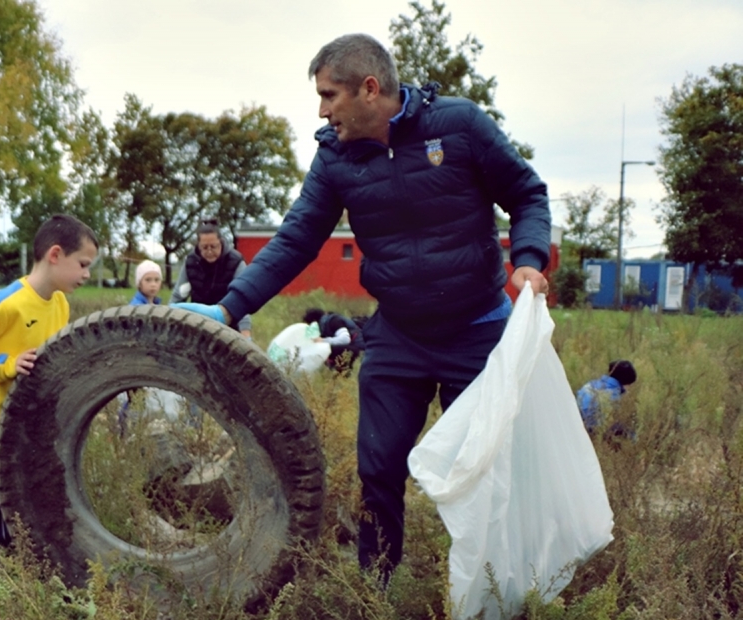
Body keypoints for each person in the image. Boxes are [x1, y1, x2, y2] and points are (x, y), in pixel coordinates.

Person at [173, 34, 551, 581]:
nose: (322, 110)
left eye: (329, 95)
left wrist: (530, 259)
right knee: (377, 469)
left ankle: (492, 590)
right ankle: (375, 592)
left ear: (369, 89)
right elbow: (296, 238)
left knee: (486, 471)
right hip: (399, 335)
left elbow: (526, 193)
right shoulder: (335, 157)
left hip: (476, 329)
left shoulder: (460, 126)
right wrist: (230, 309)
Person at [0, 214, 99, 546]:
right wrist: (6, 364)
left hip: (25, 425)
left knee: (22, 507)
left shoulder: (59, 304)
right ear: (55, 254)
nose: (88, 274)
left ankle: (22, 561)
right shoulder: (9, 302)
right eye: (83, 264)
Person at [170, 221, 252, 339]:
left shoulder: (236, 262)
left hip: (229, 328)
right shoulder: (190, 262)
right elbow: (178, 296)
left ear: (221, 242)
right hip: (197, 325)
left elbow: (242, 300)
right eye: (204, 247)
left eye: (213, 247)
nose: (209, 251)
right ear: (198, 246)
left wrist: (245, 333)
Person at [577, 359, 637, 438]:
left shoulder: (590, 384)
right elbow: (609, 421)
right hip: (592, 429)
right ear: (625, 382)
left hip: (576, 419)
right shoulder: (613, 395)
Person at [303, 307, 366, 372]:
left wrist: (323, 341)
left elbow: (345, 339)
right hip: (358, 351)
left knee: (329, 349)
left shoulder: (333, 321)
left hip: (361, 352)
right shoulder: (326, 324)